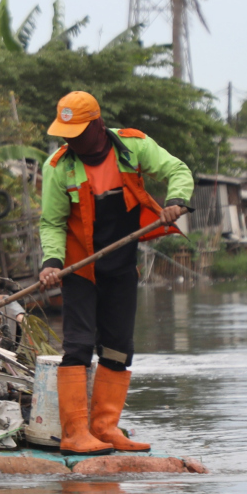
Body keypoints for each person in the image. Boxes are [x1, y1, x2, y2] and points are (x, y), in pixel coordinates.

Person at [37, 91, 192, 455]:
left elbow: (177, 170)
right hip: (80, 267)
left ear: (98, 125)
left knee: (119, 347)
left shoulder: (132, 147)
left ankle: (105, 429)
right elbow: (52, 223)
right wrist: (52, 263)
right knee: (77, 345)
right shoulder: (59, 167)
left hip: (121, 262)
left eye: (76, 131)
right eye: (65, 132)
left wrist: (175, 201)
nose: (69, 139)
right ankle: (75, 434)